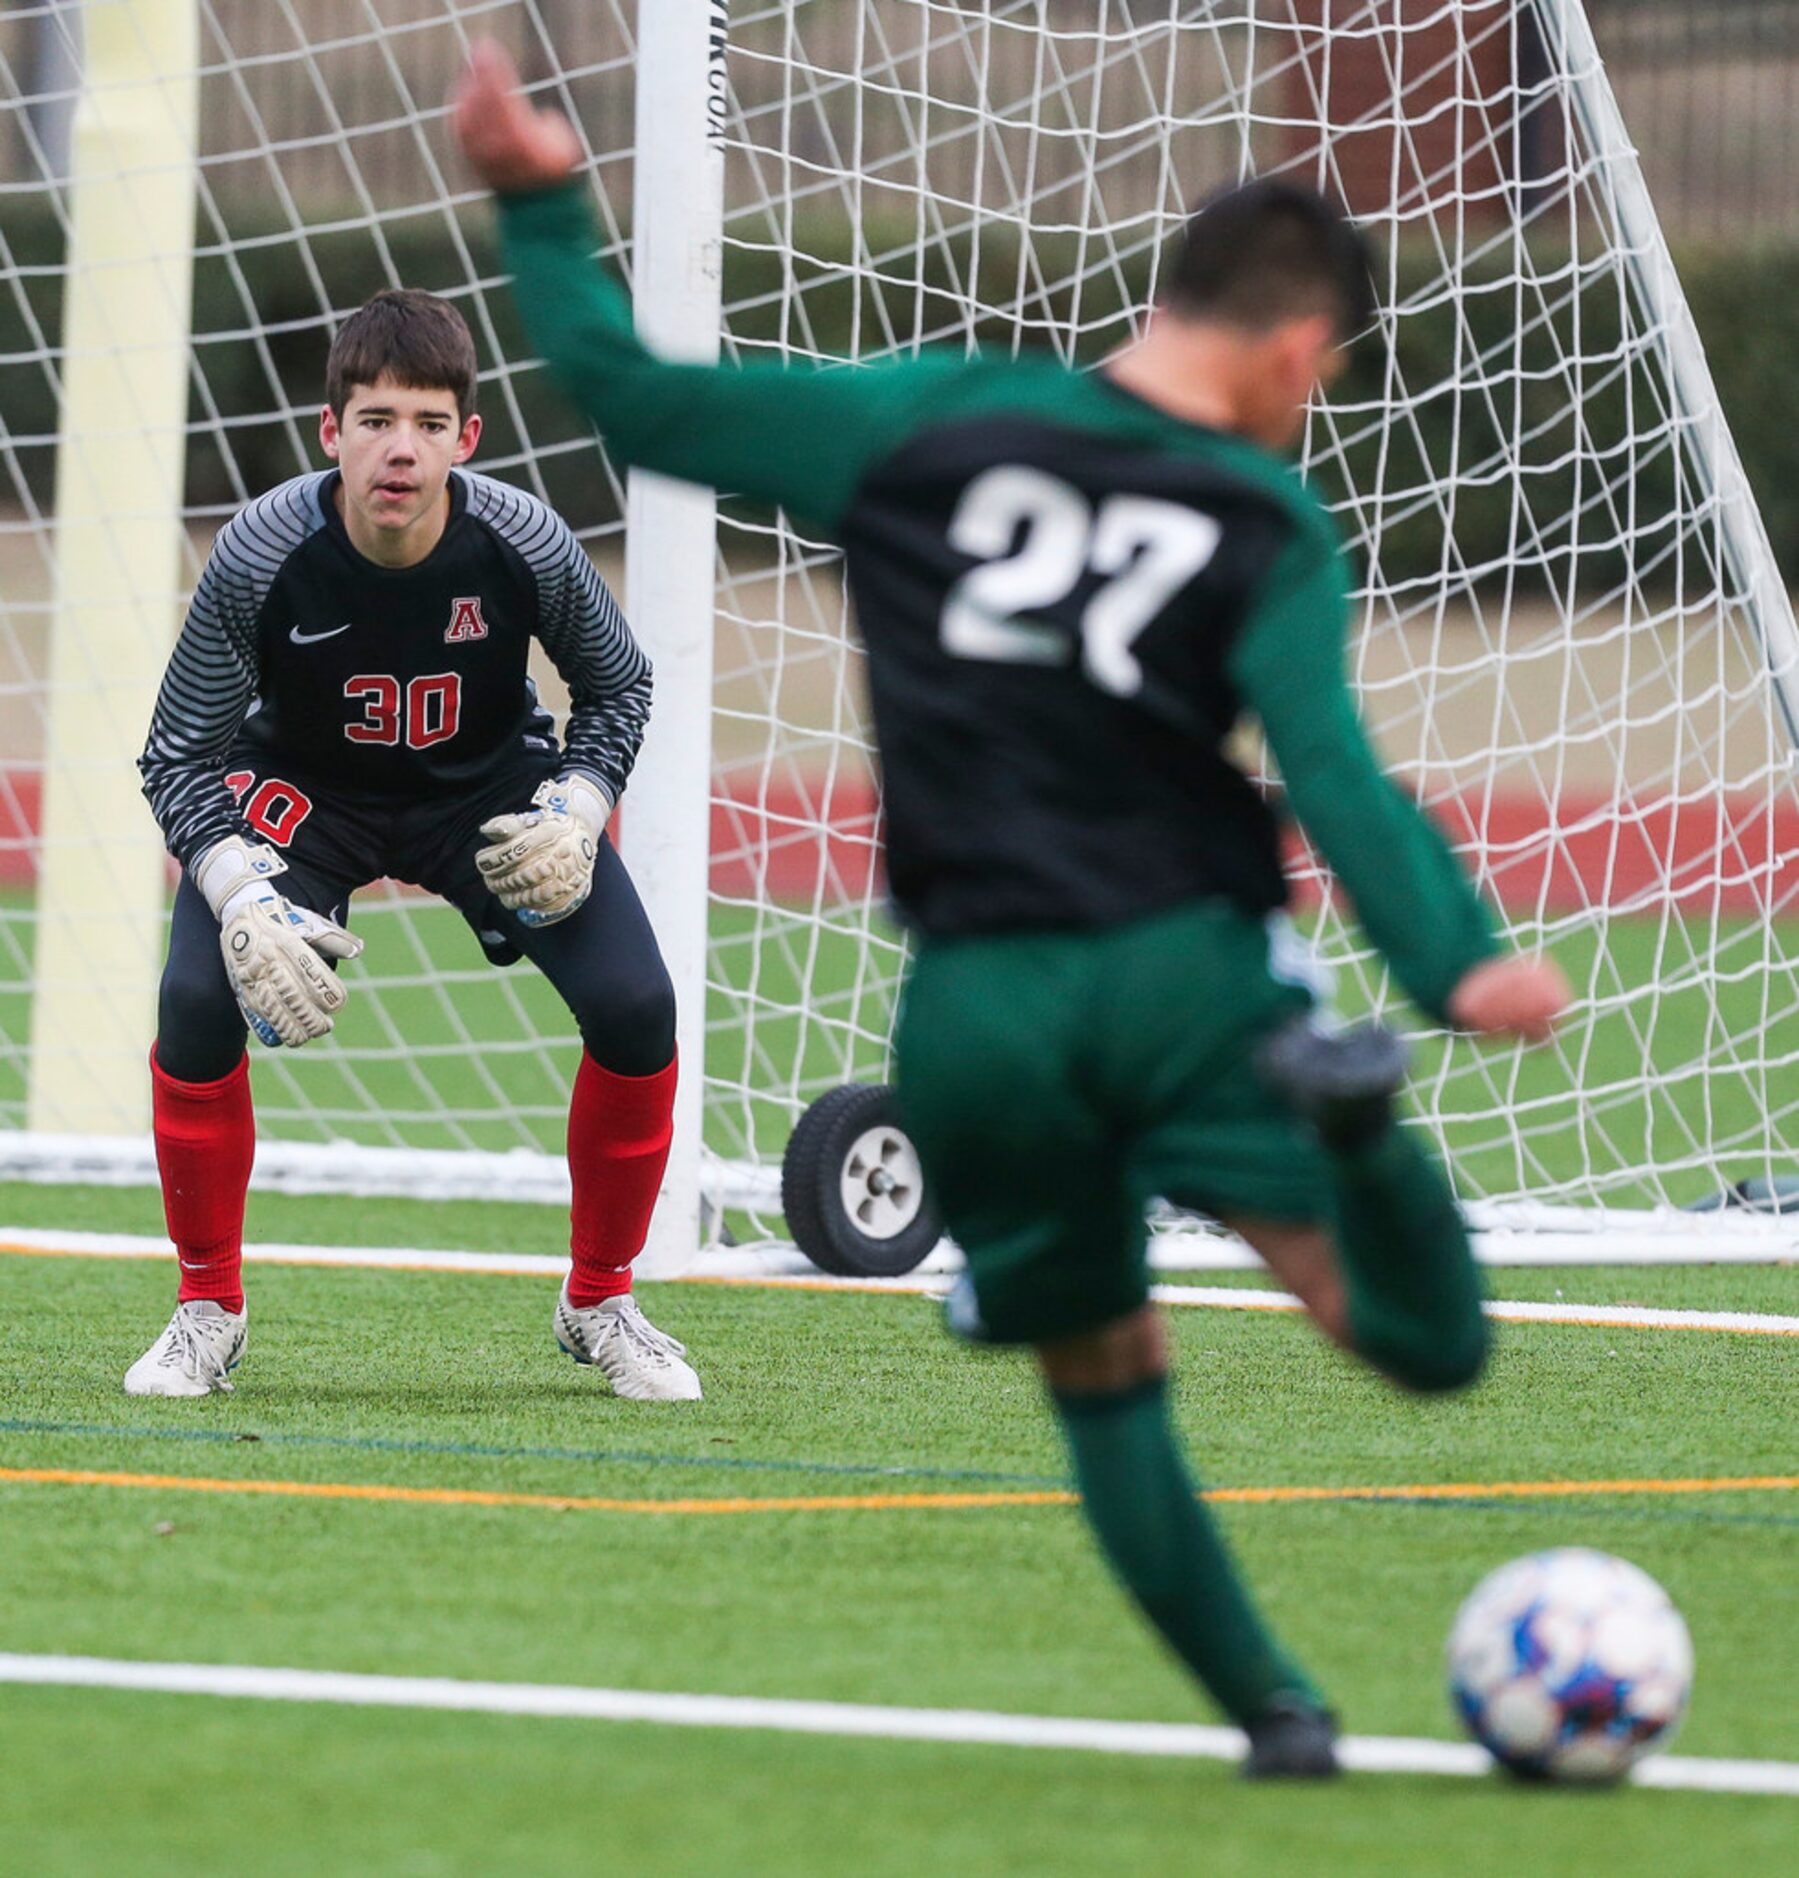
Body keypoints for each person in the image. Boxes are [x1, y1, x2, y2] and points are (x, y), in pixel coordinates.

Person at [453, 43, 1570, 1774]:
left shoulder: (923, 421)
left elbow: (640, 399)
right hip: (1192, 982)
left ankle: (1273, 1714)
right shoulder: (1261, 509)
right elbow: (1334, 773)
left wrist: (536, 195)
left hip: (974, 1018)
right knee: (1423, 1341)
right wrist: (1454, 963)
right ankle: (1343, 1128)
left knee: (1103, 1367)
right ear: (1291, 348)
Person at [131, 285, 702, 1402]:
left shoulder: (522, 538)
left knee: (638, 1006)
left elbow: (619, 684)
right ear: (330, 430)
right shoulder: (259, 552)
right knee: (196, 1003)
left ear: (467, 438)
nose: (403, 450)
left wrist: (580, 807)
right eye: (379, 420)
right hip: (302, 795)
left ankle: (600, 1300)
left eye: (430, 424)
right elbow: (177, 755)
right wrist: (240, 891)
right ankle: (206, 1307)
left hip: (484, 792)